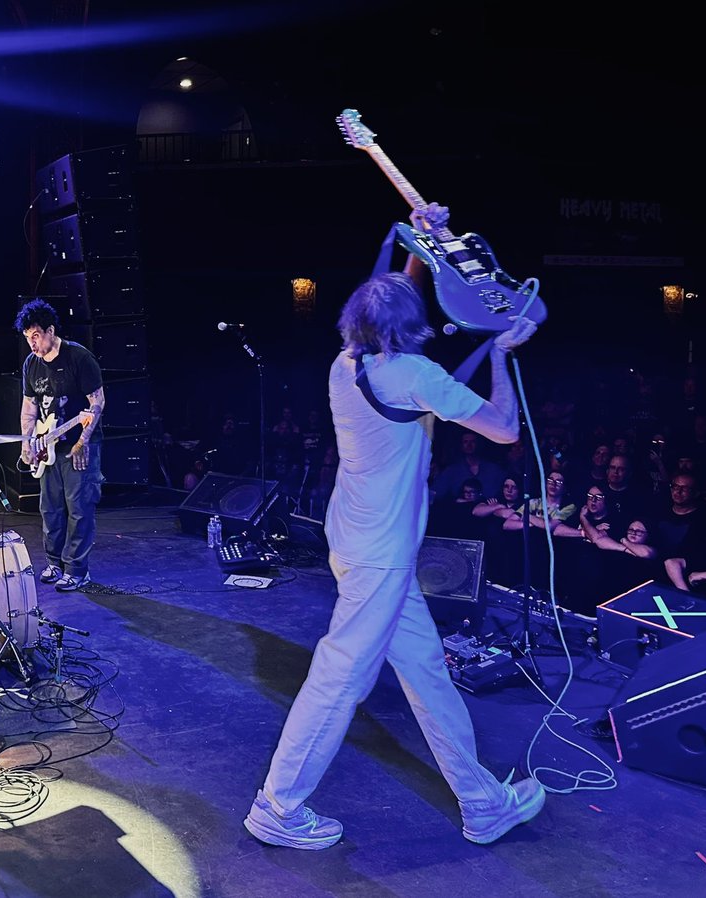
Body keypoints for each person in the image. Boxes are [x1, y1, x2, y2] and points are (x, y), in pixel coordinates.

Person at [245, 206, 544, 851]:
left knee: (428, 673)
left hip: (362, 547)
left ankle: (482, 802)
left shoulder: (344, 365)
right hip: (380, 559)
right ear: (407, 330)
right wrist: (501, 349)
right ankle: (278, 805)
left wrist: (421, 242)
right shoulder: (416, 375)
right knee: (339, 679)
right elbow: (504, 427)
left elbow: (396, 304)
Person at [15, 299, 104, 592]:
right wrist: (28, 445)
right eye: (28, 337)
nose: (32, 342)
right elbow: (29, 409)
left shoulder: (79, 358)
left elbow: (97, 403)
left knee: (78, 508)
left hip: (77, 446)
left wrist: (82, 441)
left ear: (51, 330)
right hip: (47, 447)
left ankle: (78, 570)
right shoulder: (31, 364)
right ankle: (55, 563)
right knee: (50, 509)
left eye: (36, 335)